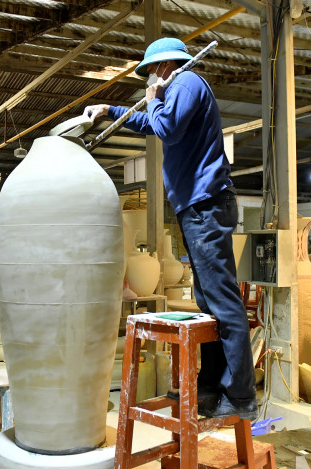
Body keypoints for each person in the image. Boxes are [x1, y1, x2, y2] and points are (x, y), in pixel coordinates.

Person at [85, 38, 257, 420]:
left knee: (223, 301)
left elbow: (167, 127)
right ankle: (213, 385)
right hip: (198, 206)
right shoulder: (175, 90)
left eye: (149, 71)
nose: (148, 77)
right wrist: (110, 110)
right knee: (209, 302)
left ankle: (241, 396)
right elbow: (152, 121)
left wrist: (154, 96)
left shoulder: (186, 83)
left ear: (163, 66)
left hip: (206, 203)